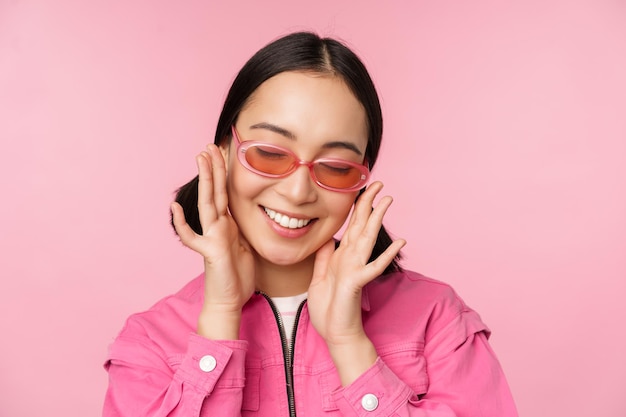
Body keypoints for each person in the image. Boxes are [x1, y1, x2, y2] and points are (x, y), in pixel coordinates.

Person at [103, 32, 518, 417]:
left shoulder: (437, 321)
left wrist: (350, 346)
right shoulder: (149, 344)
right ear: (223, 152)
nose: (299, 191)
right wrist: (220, 318)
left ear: (361, 181)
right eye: (269, 153)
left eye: (335, 167)